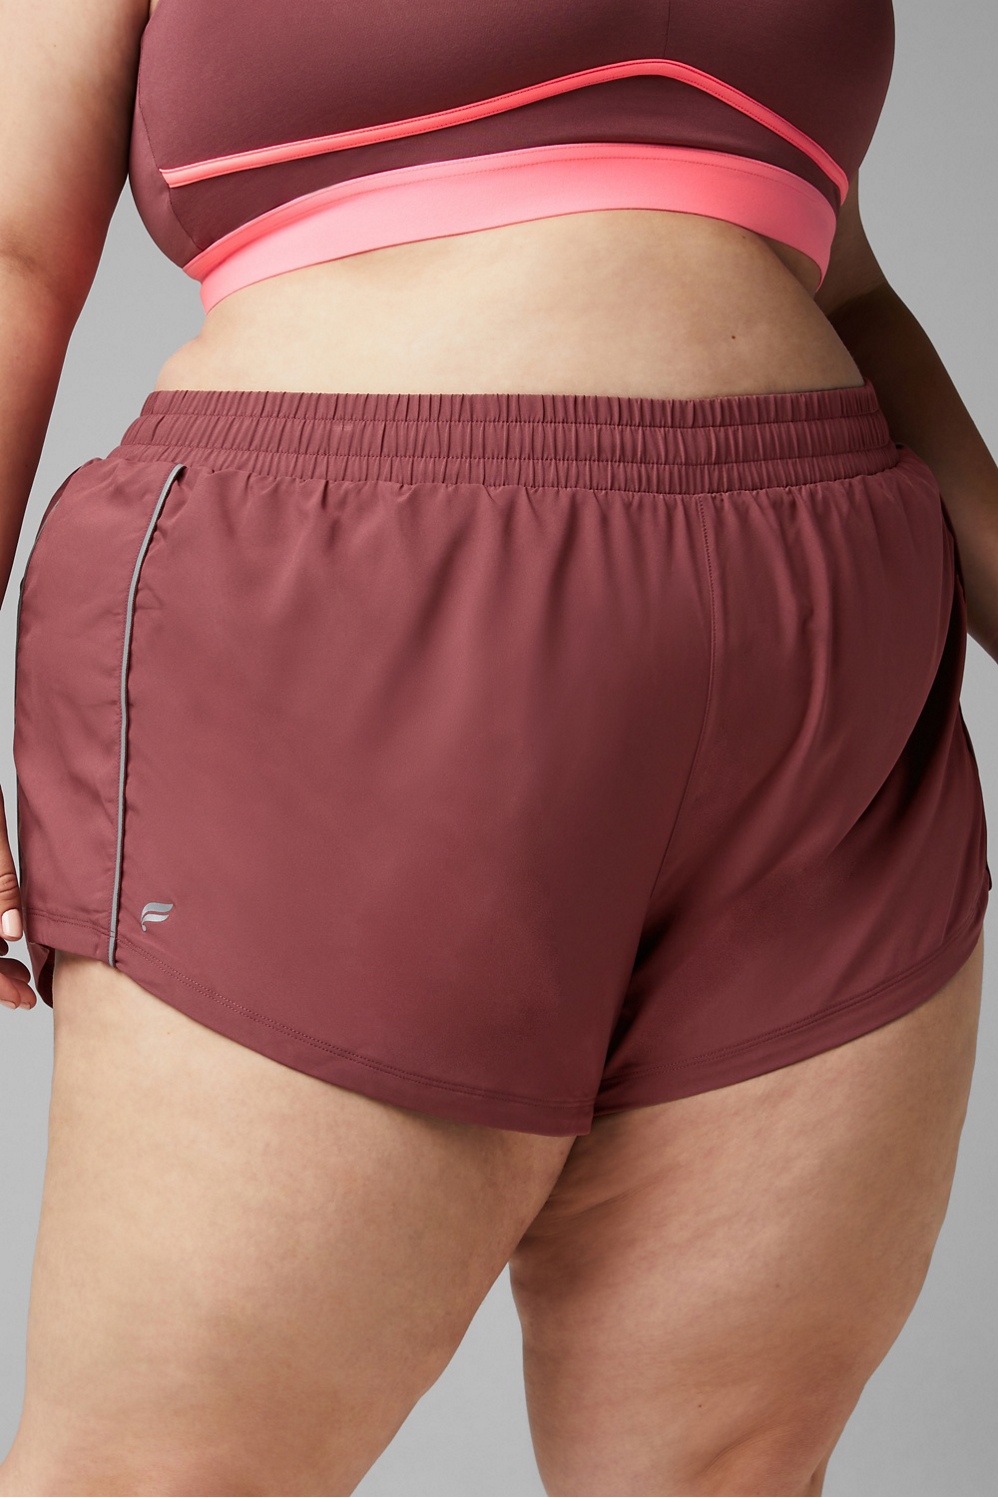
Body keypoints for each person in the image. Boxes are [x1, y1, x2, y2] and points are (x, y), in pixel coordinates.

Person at [0, 1, 993, 1493]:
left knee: (729, 1470)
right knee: (169, 1470)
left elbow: (831, 276)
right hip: (340, 622)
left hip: (821, 655)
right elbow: (12, 251)